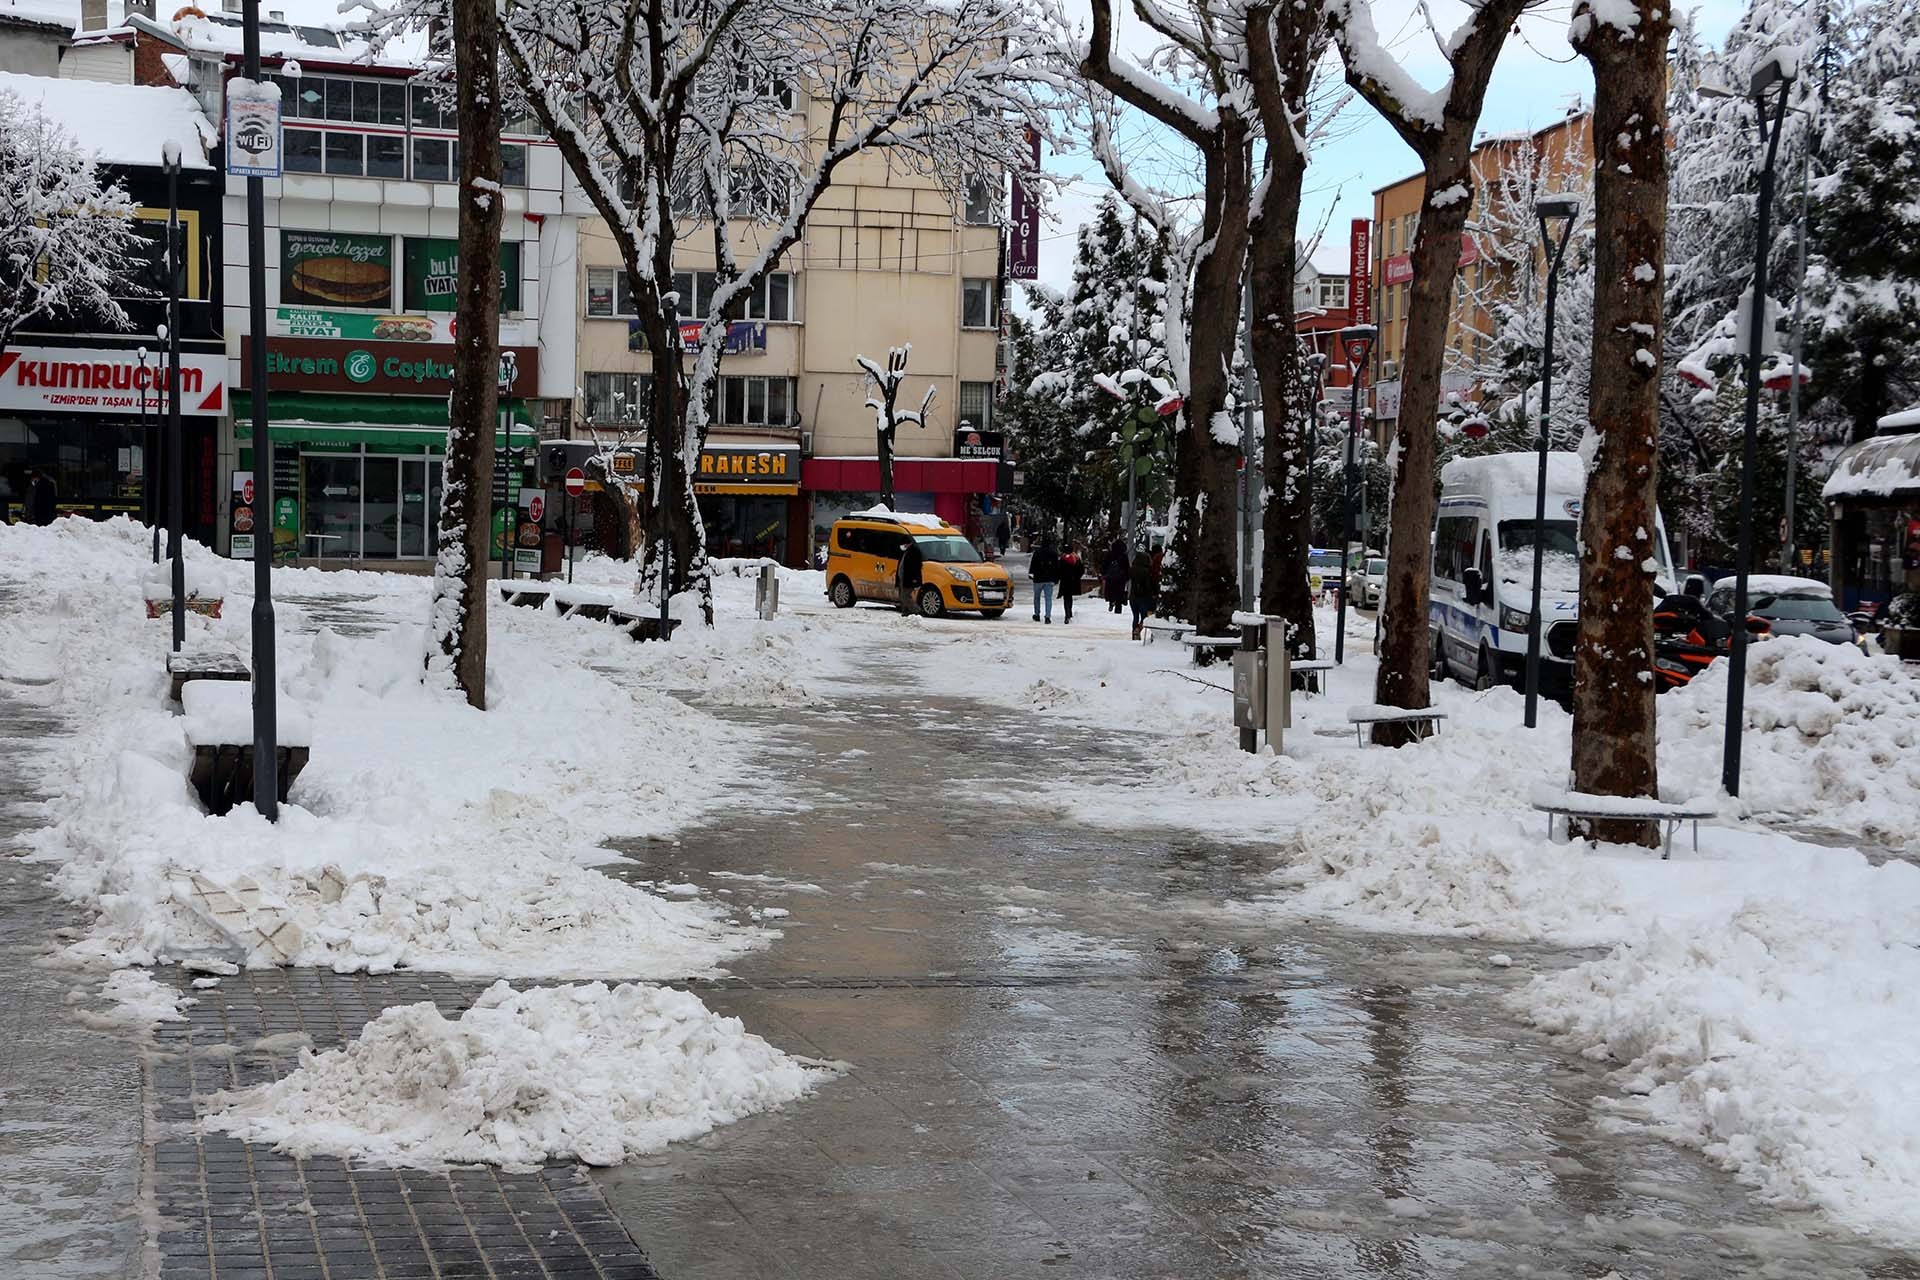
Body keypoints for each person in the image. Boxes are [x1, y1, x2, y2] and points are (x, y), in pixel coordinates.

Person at [1129, 544, 1158, 640]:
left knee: (1135, 616)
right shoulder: (1146, 571)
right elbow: (1147, 585)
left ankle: (1134, 633)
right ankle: (1139, 628)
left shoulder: (1132, 569)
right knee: (1144, 616)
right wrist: (1152, 594)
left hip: (1133, 596)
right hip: (1143, 597)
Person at [1029, 534, 1059, 623]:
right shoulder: (1053, 553)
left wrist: (1031, 574)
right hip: (1049, 579)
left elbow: (1033, 565)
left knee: (1037, 597)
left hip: (1038, 579)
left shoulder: (1037, 553)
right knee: (1048, 598)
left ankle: (1037, 614)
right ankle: (1047, 616)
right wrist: (1056, 578)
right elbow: (1056, 567)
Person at [896, 535, 924, 615]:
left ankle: (916, 610)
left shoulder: (914, 551)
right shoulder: (905, 551)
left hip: (909, 579)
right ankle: (905, 611)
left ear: (907, 544)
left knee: (906, 596)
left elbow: (917, 566)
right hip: (902, 578)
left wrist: (915, 579)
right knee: (902, 596)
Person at [1057, 541, 1082, 624]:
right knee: (1070, 597)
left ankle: (1067, 613)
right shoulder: (1076, 558)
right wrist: (1076, 577)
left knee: (1066, 598)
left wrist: (1060, 577)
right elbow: (1081, 570)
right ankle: (1069, 613)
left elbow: (1059, 570)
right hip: (1073, 581)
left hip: (1065, 581)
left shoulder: (1062, 558)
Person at [1102, 536, 1130, 613]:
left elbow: (1104, 565)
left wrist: (1104, 574)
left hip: (1110, 577)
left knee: (1111, 591)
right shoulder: (1124, 556)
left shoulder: (1110, 554)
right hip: (1121, 578)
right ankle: (1118, 607)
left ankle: (1111, 601)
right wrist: (1127, 577)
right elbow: (1127, 567)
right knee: (1119, 593)